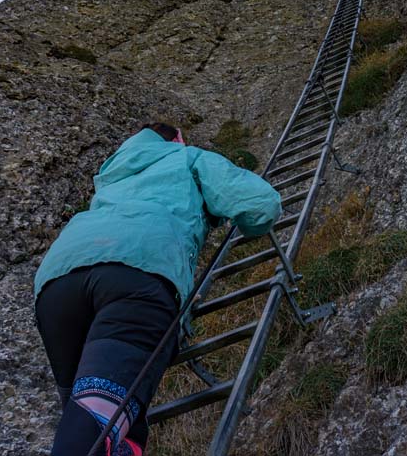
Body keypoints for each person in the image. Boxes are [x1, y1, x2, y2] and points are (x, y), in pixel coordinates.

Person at [33, 122, 281, 456]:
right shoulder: (188, 157)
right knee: (98, 425)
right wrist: (244, 224)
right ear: (176, 140)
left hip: (57, 282)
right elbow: (259, 204)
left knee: (104, 419)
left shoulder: (112, 177)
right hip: (139, 272)